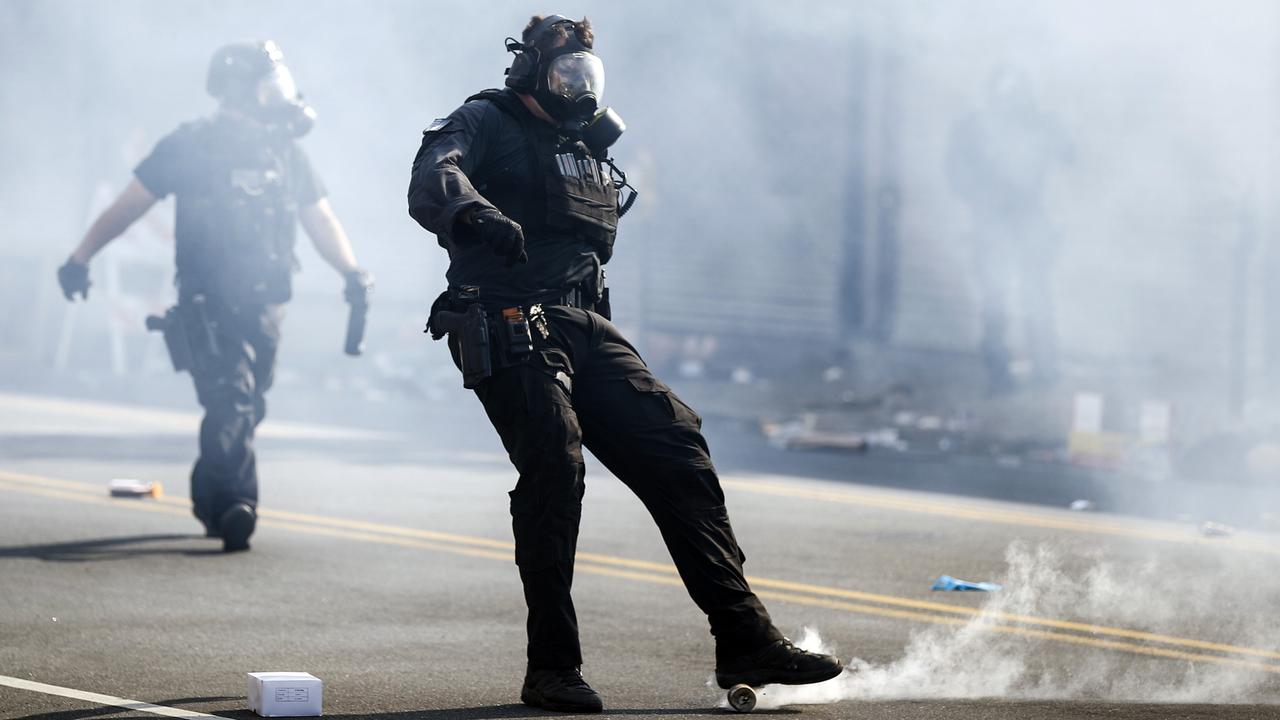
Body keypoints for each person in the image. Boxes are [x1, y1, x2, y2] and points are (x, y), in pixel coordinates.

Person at [407, 15, 842, 713]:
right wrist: (475, 214)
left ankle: (746, 638)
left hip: (583, 322)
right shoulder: (484, 118)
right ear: (530, 73)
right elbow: (435, 173)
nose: (577, 87)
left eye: (585, 74)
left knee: (679, 450)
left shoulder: (582, 142)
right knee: (556, 463)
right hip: (507, 316)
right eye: (563, 75)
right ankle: (551, 668)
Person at [57, 41, 371, 553]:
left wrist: (353, 272)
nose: (281, 100)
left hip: (268, 302)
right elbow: (128, 206)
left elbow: (320, 217)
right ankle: (233, 504)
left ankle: (208, 493)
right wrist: (80, 258)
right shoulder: (189, 146)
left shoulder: (285, 151)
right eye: (269, 90)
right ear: (237, 93)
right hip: (207, 300)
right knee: (231, 398)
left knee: (250, 402)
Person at [946, 65, 1072, 393]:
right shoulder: (972, 130)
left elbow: (1068, 167)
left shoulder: (1044, 126)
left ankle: (1045, 368)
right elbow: (956, 175)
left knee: (1037, 297)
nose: (1014, 102)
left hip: (1032, 222)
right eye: (1007, 95)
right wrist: (982, 203)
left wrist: (1058, 218)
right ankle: (998, 371)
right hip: (990, 225)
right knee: (994, 299)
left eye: (1019, 94)